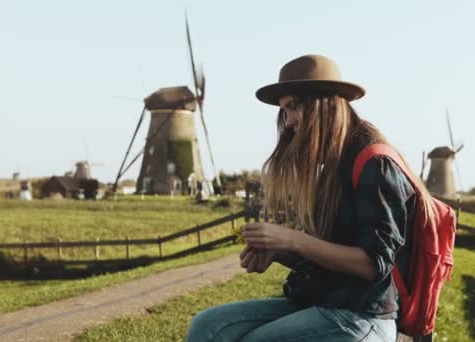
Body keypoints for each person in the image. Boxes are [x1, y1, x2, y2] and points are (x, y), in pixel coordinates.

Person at [186, 54, 436, 341]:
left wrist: (292, 239)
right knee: (207, 327)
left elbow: (373, 264)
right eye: (284, 111)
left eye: (292, 107)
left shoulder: (374, 163)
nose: (289, 121)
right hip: (325, 303)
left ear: (323, 105)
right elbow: (327, 254)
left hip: (362, 317)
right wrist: (280, 252)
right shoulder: (331, 166)